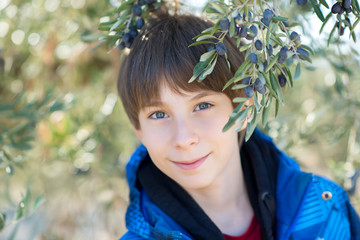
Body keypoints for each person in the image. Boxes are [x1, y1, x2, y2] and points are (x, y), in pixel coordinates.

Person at [116, 12, 360, 240]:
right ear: (139, 130)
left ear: (244, 108)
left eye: (202, 106)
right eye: (159, 114)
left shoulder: (327, 215)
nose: (183, 138)